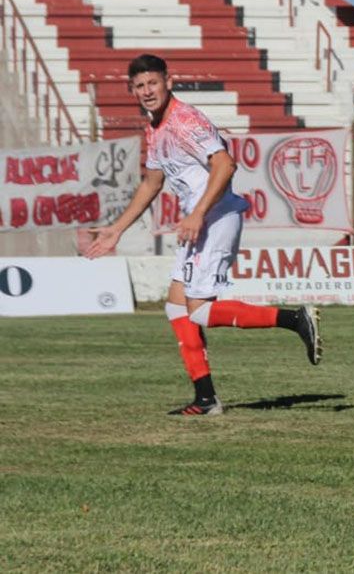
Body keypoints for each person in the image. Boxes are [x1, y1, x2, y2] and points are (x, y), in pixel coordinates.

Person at [84, 54, 321, 417]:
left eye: (153, 83)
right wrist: (116, 229)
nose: (147, 91)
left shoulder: (184, 120)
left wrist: (196, 213)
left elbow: (225, 164)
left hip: (215, 218)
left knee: (201, 312)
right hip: (199, 221)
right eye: (140, 86)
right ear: (132, 90)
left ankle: (295, 319)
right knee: (177, 307)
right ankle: (206, 399)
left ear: (168, 81)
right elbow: (152, 182)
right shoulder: (155, 127)